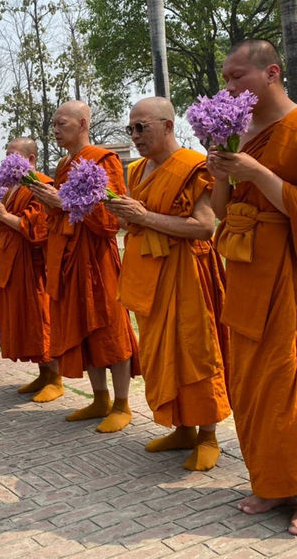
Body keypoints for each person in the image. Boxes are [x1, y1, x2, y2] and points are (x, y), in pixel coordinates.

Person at [106, 97, 230, 471]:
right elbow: (140, 223)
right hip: (149, 276)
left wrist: (144, 215)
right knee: (160, 354)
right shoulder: (138, 170)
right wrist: (124, 216)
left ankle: (208, 436)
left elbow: (205, 227)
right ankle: (182, 428)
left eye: (142, 127)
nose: (135, 135)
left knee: (195, 350)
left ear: (168, 125)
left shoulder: (194, 166)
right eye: (131, 128)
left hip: (186, 273)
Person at [206, 39, 297, 532]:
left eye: (236, 76)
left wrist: (256, 172)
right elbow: (221, 211)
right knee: (250, 381)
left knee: (287, 381)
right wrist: (222, 167)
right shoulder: (237, 134)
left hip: (287, 273)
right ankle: (271, 483)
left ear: (271, 73)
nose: (228, 86)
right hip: (243, 271)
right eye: (225, 77)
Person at [29, 101, 139, 431]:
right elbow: (58, 216)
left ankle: (122, 404)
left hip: (97, 258)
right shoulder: (64, 164)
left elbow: (112, 217)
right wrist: (53, 203)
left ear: (82, 123)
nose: (56, 129)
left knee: (108, 327)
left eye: (62, 123)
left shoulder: (103, 160)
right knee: (81, 327)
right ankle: (100, 399)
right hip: (68, 258)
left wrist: (63, 202)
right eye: (53, 124)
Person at [0, 137, 57, 401]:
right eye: (7, 156)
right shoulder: (14, 189)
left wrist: (3, 216)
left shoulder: (42, 186)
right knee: (26, 321)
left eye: (14, 155)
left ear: (31, 160)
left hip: (34, 265)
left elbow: (38, 229)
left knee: (40, 319)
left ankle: (56, 378)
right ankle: (43, 374)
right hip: (14, 261)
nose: (7, 161)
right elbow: (7, 227)